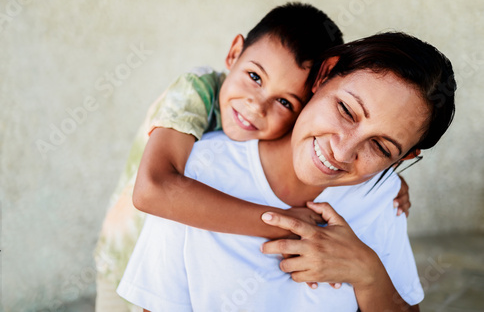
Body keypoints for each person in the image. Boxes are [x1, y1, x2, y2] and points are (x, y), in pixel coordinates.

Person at [117, 32, 456, 311]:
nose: (342, 151)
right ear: (324, 75)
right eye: (346, 110)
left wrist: (368, 274)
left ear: (401, 159)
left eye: (380, 147)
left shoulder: (381, 193)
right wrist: (280, 223)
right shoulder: (193, 172)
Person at [94, 2, 346, 311]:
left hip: (183, 274)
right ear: (233, 53)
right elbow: (152, 191)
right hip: (127, 256)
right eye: (254, 76)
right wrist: (279, 223)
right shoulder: (196, 89)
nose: (256, 106)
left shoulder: (283, 135)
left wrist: (390, 179)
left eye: (284, 101)